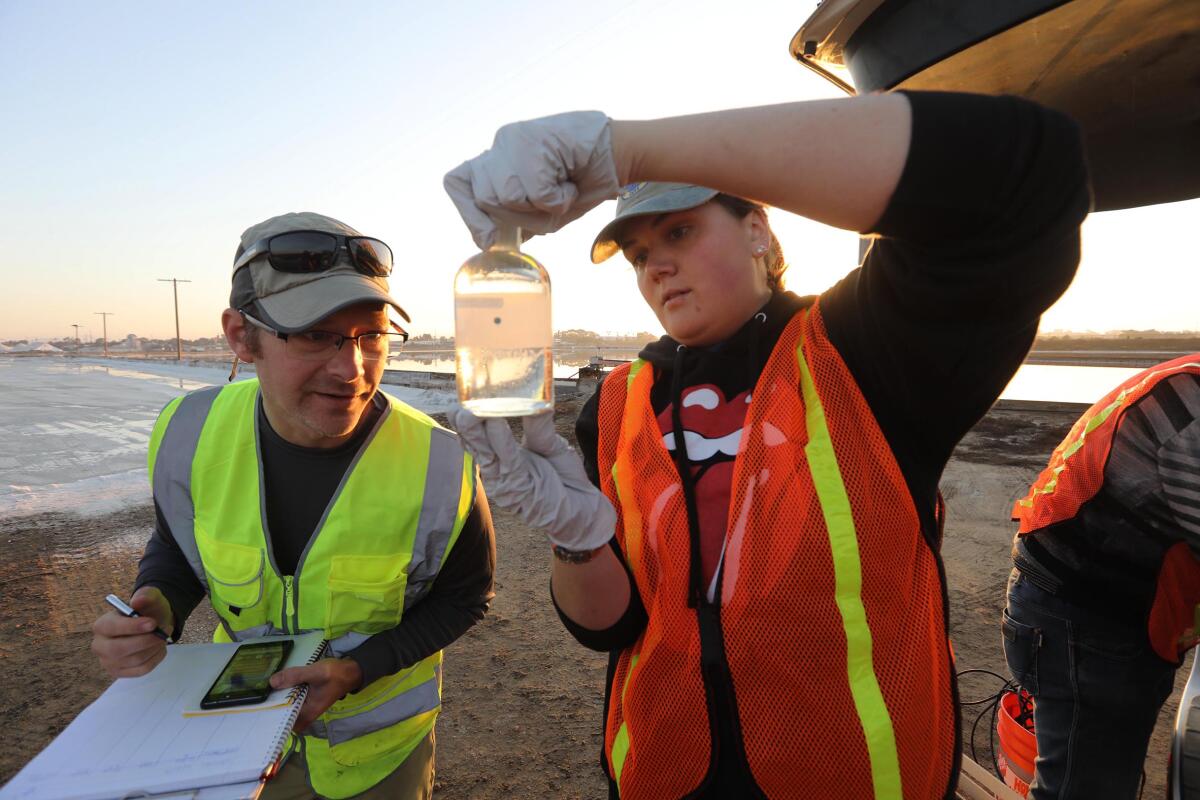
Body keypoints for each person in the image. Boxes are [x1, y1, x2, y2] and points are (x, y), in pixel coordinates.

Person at [442, 91, 1089, 798]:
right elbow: (611, 627)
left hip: (852, 777)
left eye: (680, 232)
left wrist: (624, 150)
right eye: (638, 253)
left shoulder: (864, 350)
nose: (654, 265)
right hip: (665, 773)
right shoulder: (619, 403)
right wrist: (575, 537)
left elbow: (1026, 180)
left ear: (759, 232)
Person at [90, 212, 496, 800]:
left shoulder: (441, 461)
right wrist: (155, 604)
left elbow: (467, 596)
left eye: (371, 334)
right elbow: (179, 546)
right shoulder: (188, 435)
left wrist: (360, 668)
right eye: (314, 334)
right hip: (236, 735)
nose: (350, 369)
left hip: (378, 758)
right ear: (240, 336)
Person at [1005, 354, 1200, 799]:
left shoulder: (1185, 380)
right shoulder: (1193, 414)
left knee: (1096, 775)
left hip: (1079, 608)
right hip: (1084, 628)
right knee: (1084, 788)